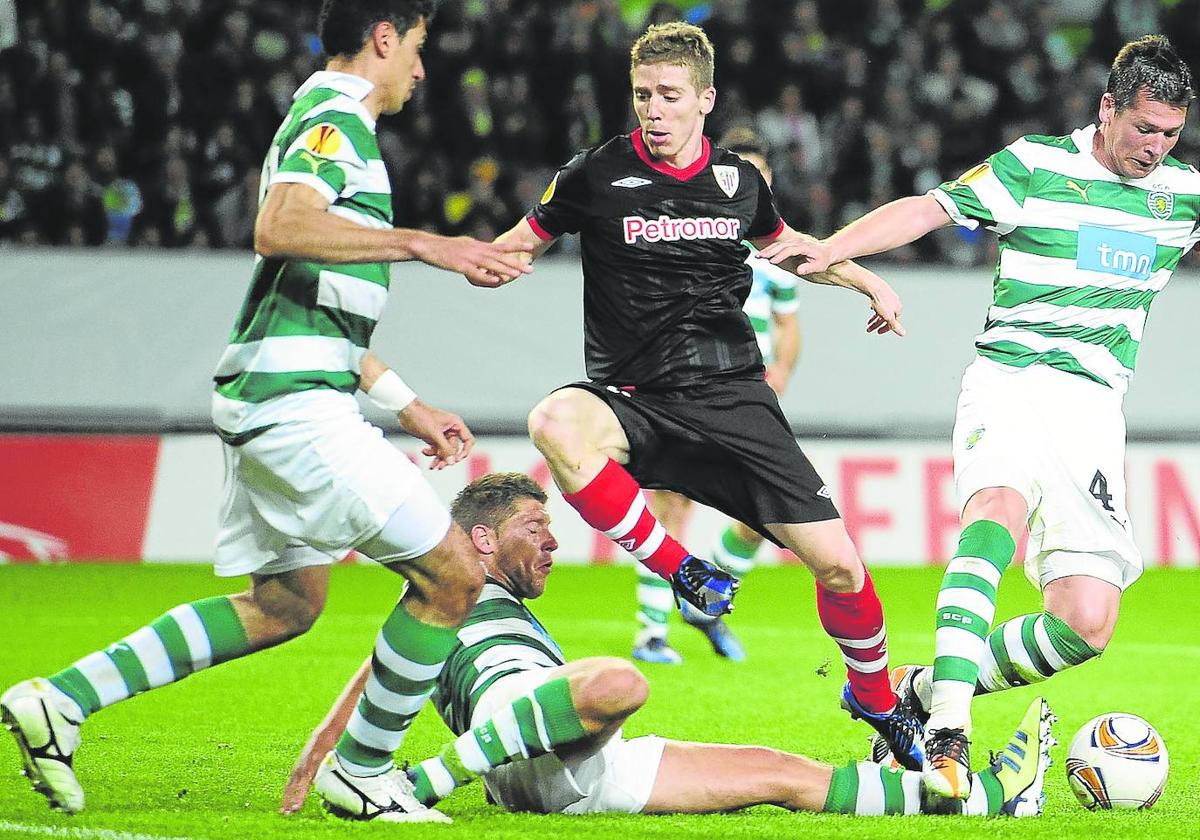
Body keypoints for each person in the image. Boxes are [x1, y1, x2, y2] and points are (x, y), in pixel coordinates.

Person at [0, 0, 532, 824]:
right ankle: (360, 774)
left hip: (278, 395)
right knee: (458, 573)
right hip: (294, 411)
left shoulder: (330, 125)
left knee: (286, 604)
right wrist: (430, 244)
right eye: (418, 48)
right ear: (384, 38)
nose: (422, 70)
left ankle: (62, 700)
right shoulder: (331, 113)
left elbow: (319, 302)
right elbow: (279, 228)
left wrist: (405, 403)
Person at [760, 34, 1199, 803]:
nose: (1156, 148)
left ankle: (919, 688)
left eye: (1170, 134)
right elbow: (926, 210)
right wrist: (833, 249)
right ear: (1108, 109)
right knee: (993, 517)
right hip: (1013, 381)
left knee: (1086, 622)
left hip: (1094, 412)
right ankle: (949, 734)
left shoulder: (1183, 196)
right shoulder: (1034, 166)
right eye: (1144, 130)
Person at [481, 21, 925, 771]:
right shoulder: (593, 174)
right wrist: (460, 254)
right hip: (635, 400)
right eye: (641, 95)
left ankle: (874, 697)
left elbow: (794, 250)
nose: (652, 110)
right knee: (554, 420)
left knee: (842, 568)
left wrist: (868, 279)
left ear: (705, 99)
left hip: (733, 402)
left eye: (669, 96)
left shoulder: (739, 183)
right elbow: (517, 240)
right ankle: (681, 568)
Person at [281, 472, 1054, 819]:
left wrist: (331, 741)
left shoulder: (434, 602)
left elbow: (390, 659)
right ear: (479, 539)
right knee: (618, 683)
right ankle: (419, 789)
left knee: (779, 773)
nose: (552, 544)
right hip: (522, 728)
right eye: (533, 529)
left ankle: (988, 798)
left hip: (556, 765)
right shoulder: (451, 579)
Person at [633, 126, 802, 665]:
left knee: (765, 516)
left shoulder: (780, 249)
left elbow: (789, 325)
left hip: (747, 395)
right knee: (670, 505)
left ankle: (702, 602)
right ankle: (651, 633)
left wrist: (780, 373)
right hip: (684, 389)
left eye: (758, 173)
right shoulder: (689, 232)